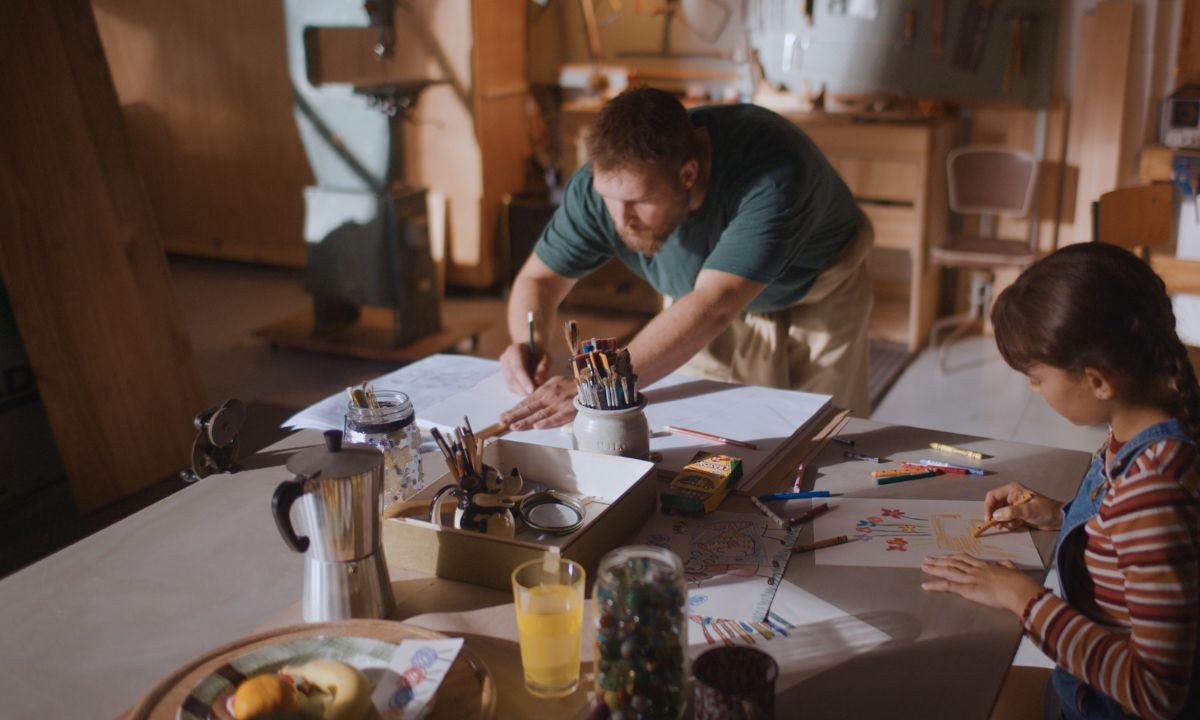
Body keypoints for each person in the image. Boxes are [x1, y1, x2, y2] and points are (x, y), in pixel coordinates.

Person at [921, 243, 1200, 719]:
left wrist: (1021, 597)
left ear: (1098, 381)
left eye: (1036, 378)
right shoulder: (1152, 417)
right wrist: (1059, 513)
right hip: (1082, 689)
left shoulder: (1153, 491)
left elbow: (1156, 693)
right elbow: (1127, 538)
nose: (1034, 391)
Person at [498, 86, 874, 431]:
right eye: (607, 197)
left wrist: (600, 385)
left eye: (637, 201)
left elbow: (716, 304)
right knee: (707, 437)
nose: (620, 219)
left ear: (688, 174)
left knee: (824, 436)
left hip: (812, 296)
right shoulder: (604, 187)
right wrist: (528, 343)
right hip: (698, 303)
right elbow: (539, 279)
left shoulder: (773, 172)